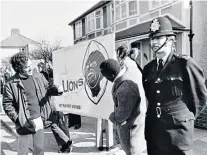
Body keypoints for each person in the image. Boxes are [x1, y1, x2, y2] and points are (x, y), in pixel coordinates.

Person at [142, 16, 207, 155]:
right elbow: (151, 98)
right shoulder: (147, 69)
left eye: (159, 38)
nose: (154, 42)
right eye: (152, 38)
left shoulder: (185, 64)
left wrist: (184, 117)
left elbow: (200, 98)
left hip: (178, 135)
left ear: (170, 40)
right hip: (154, 133)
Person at [2, 52, 73, 155]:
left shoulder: (38, 76)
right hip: (24, 121)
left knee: (39, 149)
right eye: (27, 67)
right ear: (18, 68)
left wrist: (55, 89)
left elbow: (47, 88)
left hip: (39, 118)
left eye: (31, 65)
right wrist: (18, 119)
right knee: (23, 150)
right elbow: (7, 105)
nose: (31, 68)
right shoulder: (10, 83)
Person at [100, 58, 146, 155]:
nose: (106, 79)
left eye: (106, 77)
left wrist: (112, 116)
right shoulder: (124, 79)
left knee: (132, 152)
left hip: (131, 132)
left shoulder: (125, 87)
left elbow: (122, 115)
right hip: (133, 128)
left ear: (112, 75)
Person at [33, 66, 73, 153]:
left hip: (49, 107)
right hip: (51, 106)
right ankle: (66, 143)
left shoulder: (36, 78)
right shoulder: (42, 77)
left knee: (56, 125)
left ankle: (66, 144)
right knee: (56, 125)